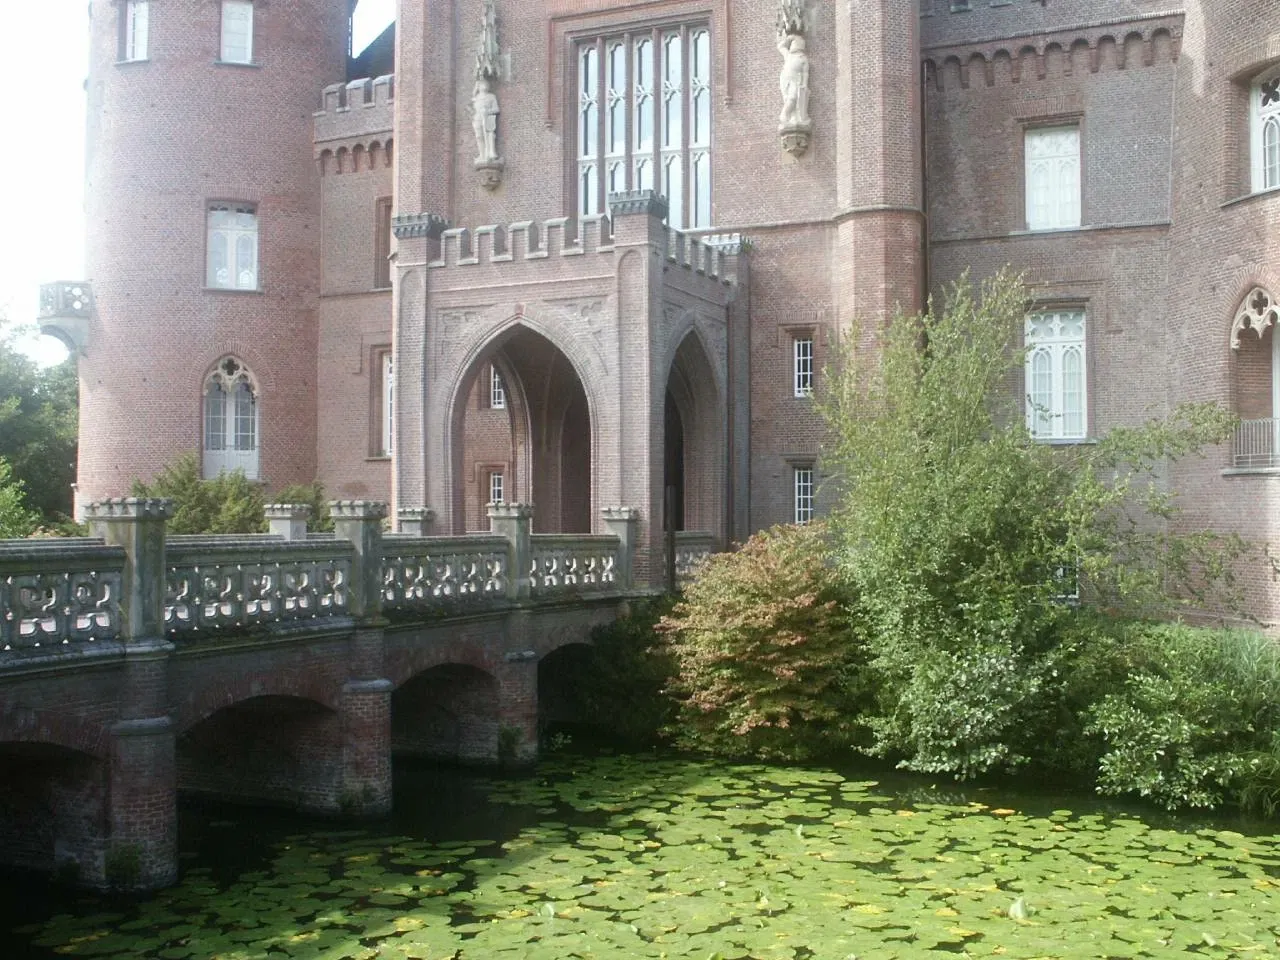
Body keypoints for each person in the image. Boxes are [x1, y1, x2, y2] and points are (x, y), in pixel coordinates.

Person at [777, 33, 810, 128]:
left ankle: (784, 115)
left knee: (793, 97)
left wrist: (804, 84)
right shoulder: (789, 55)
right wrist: (789, 39)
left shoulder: (803, 58)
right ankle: (792, 117)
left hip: (796, 80)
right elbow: (780, 46)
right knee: (788, 98)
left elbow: (805, 73)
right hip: (785, 79)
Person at [472, 78, 500, 162]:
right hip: (477, 119)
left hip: (487, 119)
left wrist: (487, 111)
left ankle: (490, 153)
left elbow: (496, 109)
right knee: (479, 136)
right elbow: (471, 108)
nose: (485, 86)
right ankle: (482, 155)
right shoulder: (476, 97)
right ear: (479, 86)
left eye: (486, 84)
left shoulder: (491, 96)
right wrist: (474, 91)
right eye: (482, 84)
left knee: (489, 135)